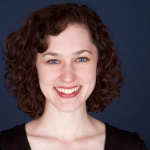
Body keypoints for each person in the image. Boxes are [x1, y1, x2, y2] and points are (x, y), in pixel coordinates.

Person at [0, 3, 148, 150]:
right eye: (53, 61)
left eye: (81, 59)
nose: (68, 76)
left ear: (99, 62)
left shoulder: (131, 147)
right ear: (33, 67)